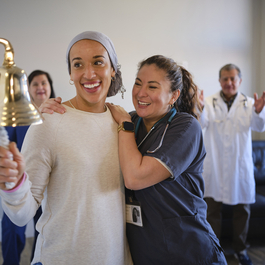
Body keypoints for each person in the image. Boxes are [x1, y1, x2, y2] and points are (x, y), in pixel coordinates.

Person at [40, 55, 228, 264]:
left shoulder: (184, 127)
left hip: (187, 248)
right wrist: (52, 112)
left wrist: (125, 125)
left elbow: (135, 178)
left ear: (174, 95)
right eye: (138, 83)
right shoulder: (129, 121)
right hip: (144, 250)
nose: (141, 93)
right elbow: (84, 128)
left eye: (152, 87)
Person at [0, 31, 132, 265]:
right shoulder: (50, 122)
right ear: (70, 74)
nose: (88, 73)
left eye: (98, 62)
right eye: (78, 64)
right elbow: (22, 215)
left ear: (113, 68)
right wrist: (13, 183)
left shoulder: (122, 123)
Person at [198, 63, 265, 265]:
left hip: (239, 166)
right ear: (220, 81)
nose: (229, 83)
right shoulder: (208, 102)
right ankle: (213, 249)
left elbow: (259, 127)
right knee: (212, 211)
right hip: (215, 166)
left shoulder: (250, 103)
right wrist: (198, 108)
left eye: (233, 79)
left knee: (242, 211)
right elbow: (201, 124)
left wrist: (259, 111)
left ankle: (241, 251)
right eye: (225, 79)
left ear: (240, 81)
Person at [1, 70, 55, 265]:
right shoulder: (18, 116)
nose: (40, 87)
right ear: (28, 89)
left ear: (50, 87)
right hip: (20, 185)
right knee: (11, 228)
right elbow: (6, 147)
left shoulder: (60, 115)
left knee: (44, 230)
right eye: (35, 84)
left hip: (50, 188)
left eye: (44, 83)